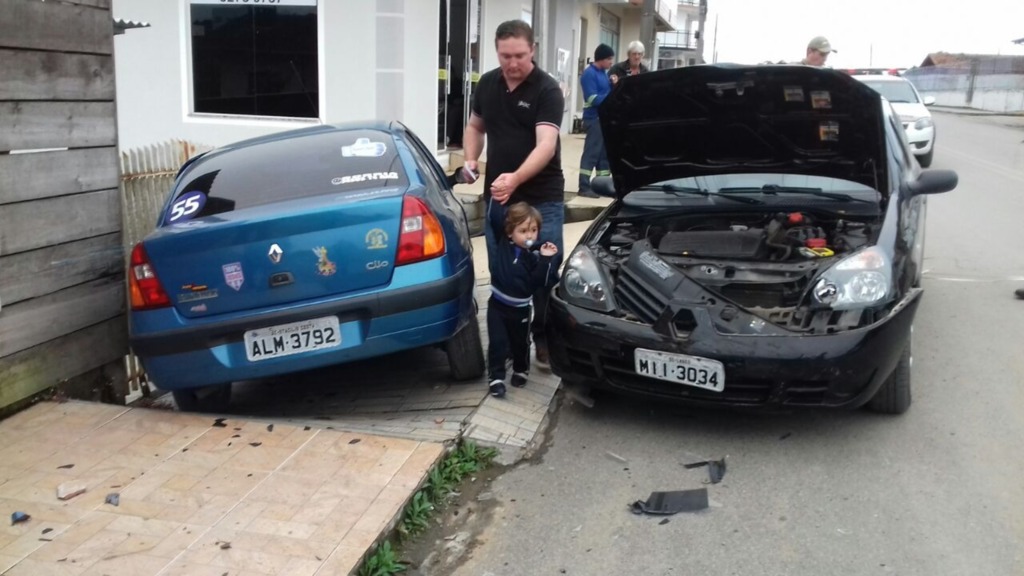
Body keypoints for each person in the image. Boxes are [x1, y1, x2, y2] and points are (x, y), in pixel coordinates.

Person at [461, 19, 565, 368]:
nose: (512, 63)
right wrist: (471, 158)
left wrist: (516, 177)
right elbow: (475, 126)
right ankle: (506, 344)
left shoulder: (547, 90)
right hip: (502, 201)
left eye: (519, 55)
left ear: (532, 49)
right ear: (497, 52)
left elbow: (546, 145)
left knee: (543, 271)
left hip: (542, 199)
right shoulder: (488, 83)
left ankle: (543, 338)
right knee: (504, 273)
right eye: (505, 55)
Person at [485, 201, 558, 398]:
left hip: (520, 310)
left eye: (533, 230)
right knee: (498, 342)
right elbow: (494, 216)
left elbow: (539, 282)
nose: (529, 235)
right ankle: (496, 377)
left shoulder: (532, 258)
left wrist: (545, 259)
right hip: (497, 307)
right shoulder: (503, 245)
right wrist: (498, 195)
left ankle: (521, 369)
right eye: (523, 230)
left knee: (521, 343)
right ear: (510, 232)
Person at [577, 43, 615, 198]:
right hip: (594, 119)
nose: (611, 63)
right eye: (610, 59)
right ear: (602, 59)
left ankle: (603, 186)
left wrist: (613, 86)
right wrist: (612, 97)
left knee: (603, 156)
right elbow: (592, 98)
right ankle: (584, 186)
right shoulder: (589, 74)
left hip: (603, 119)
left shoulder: (603, 73)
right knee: (591, 153)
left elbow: (603, 93)